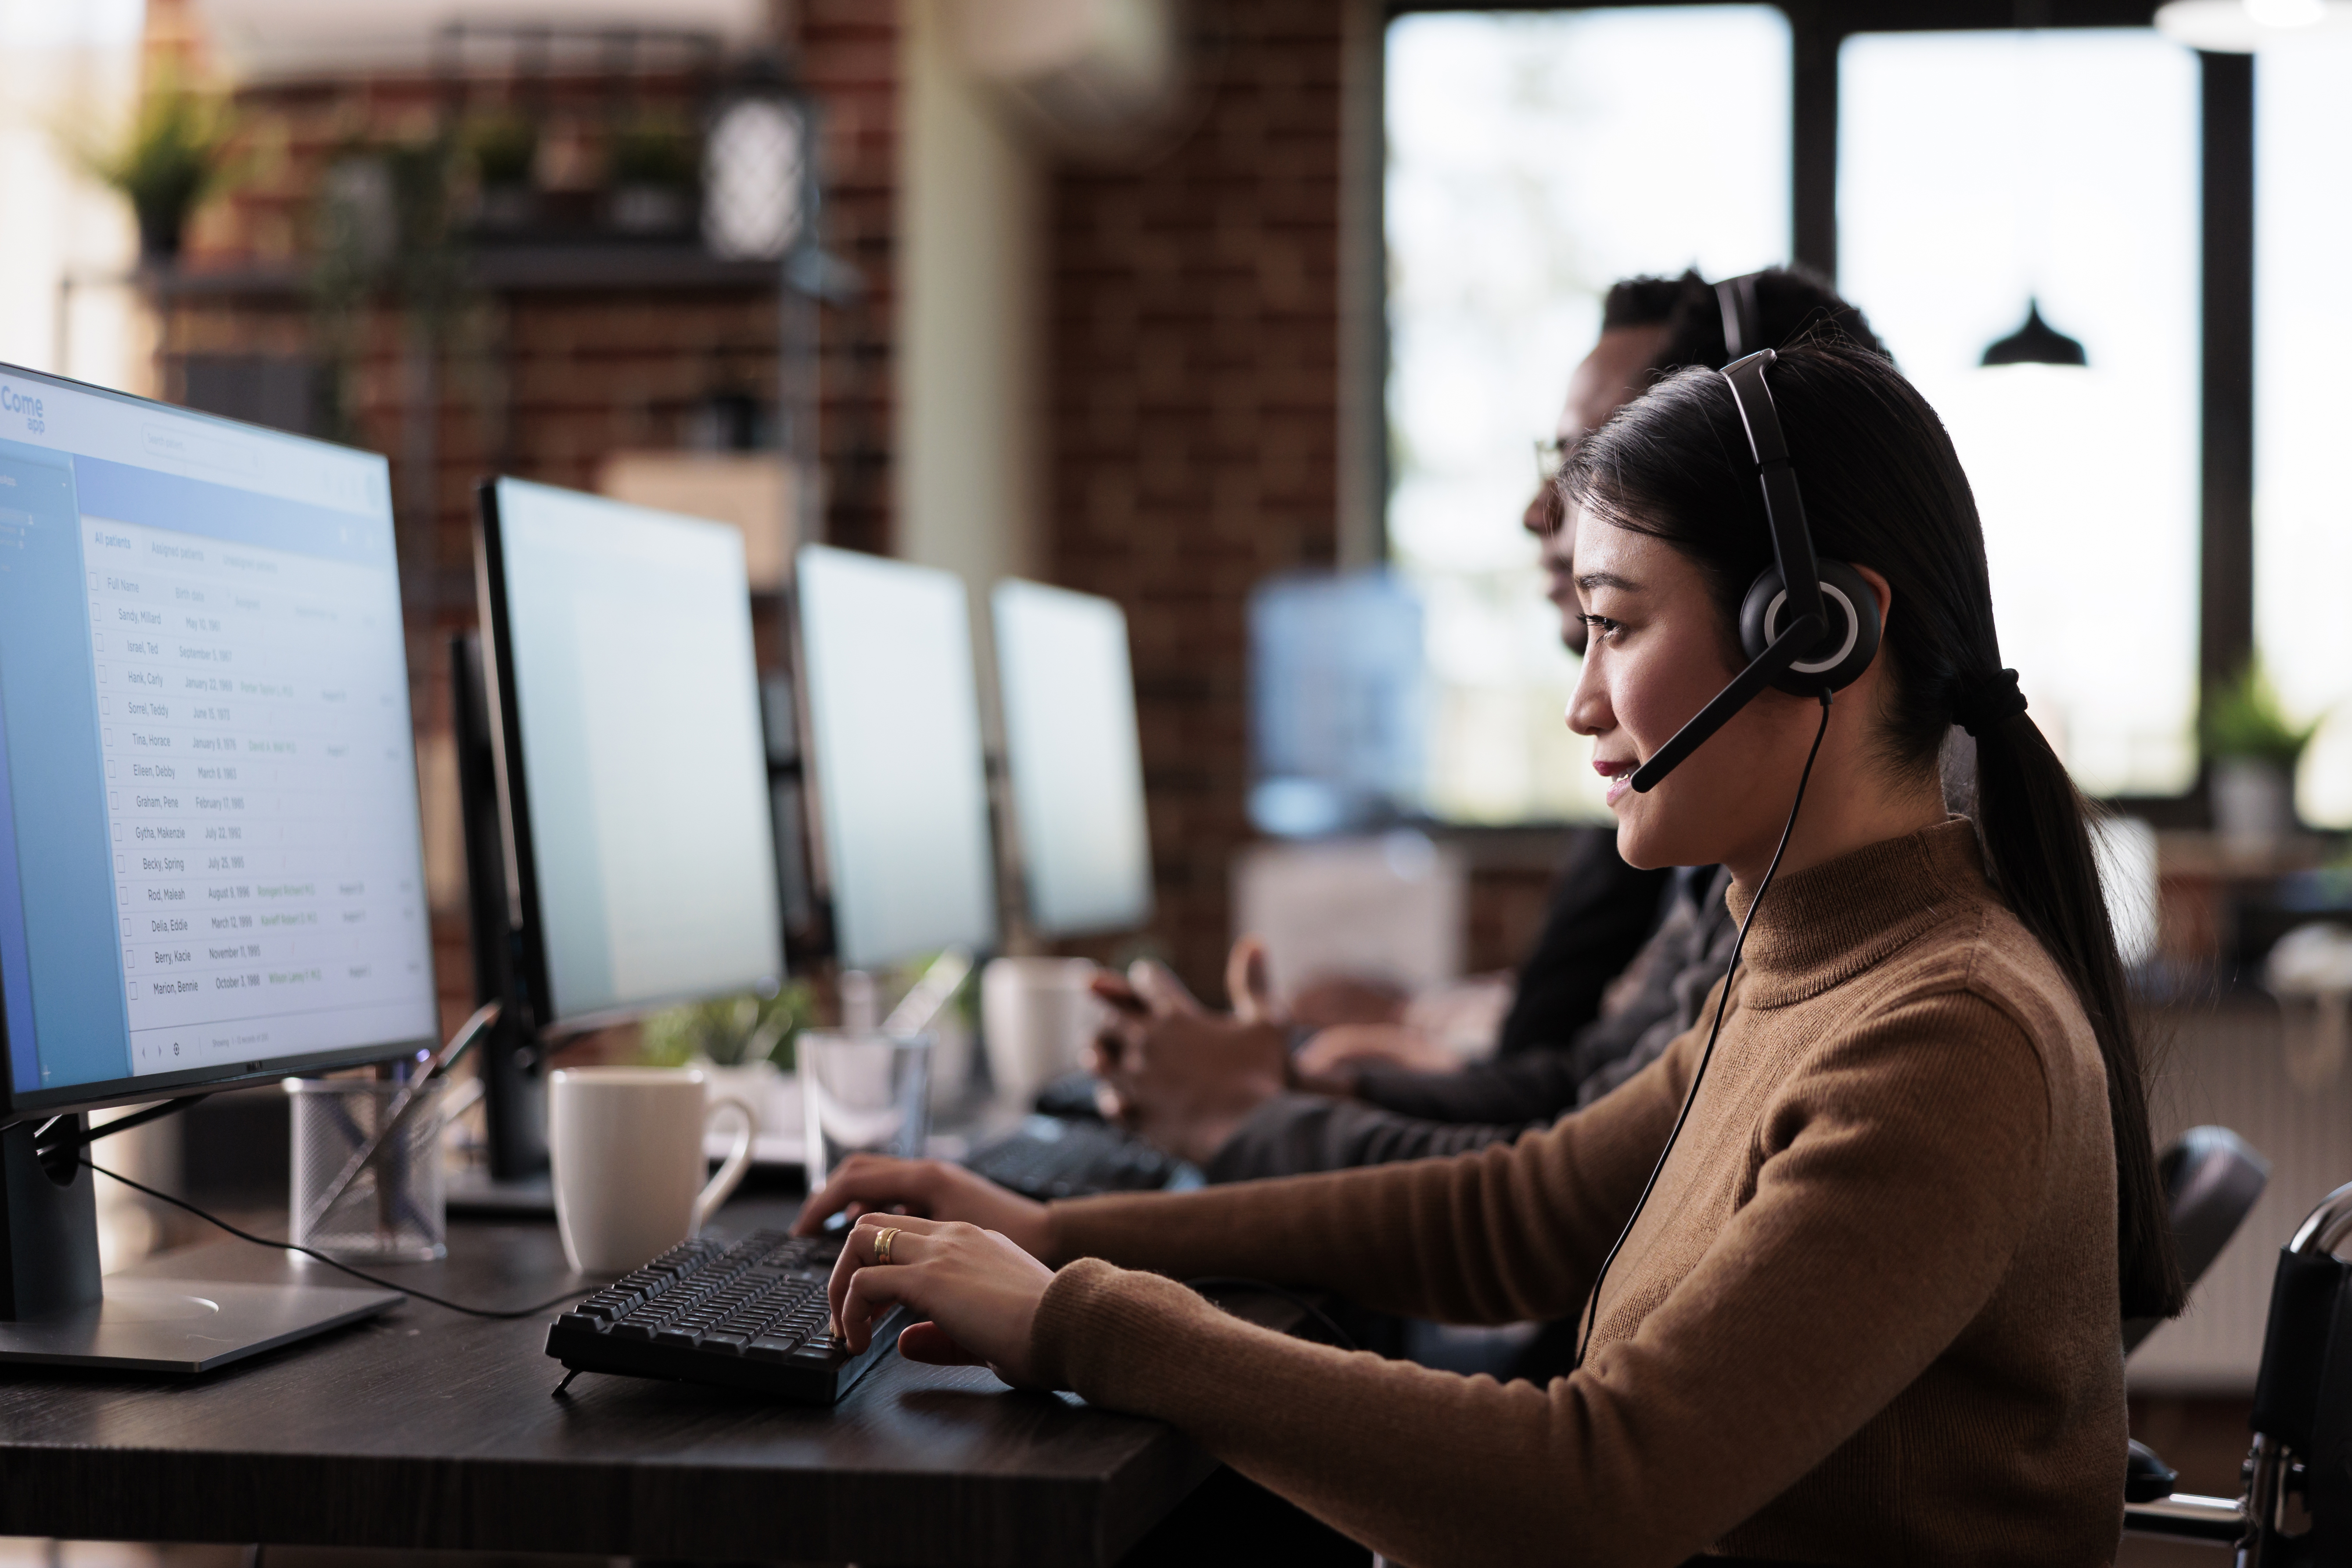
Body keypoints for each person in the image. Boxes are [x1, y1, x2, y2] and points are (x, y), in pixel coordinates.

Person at [796, 334, 2181, 1565]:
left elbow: (1603, 1485)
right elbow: (1507, 1216)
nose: (1581, 702)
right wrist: (1046, 1230)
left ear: (1810, 634)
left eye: (1616, 625)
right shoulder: (1808, 964)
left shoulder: (1943, 1033)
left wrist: (1078, 1321)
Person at [1120, 267, 1883, 1185]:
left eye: (1601, 457)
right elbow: (1579, 1128)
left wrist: (1256, 1115)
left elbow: (1561, 1196)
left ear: (1793, 604)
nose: (1545, 511)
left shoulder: (1883, 966)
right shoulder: (1753, 856)